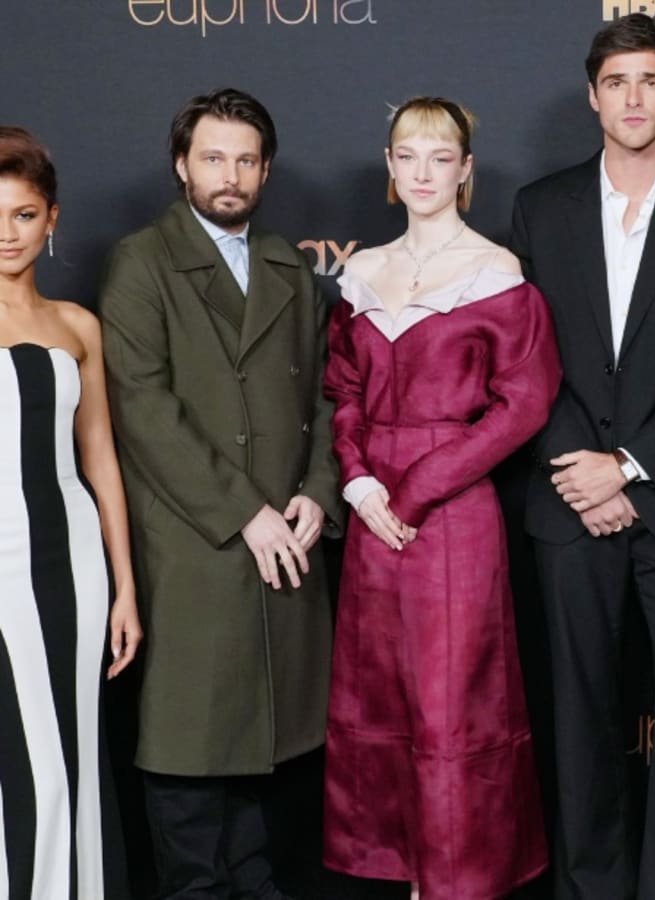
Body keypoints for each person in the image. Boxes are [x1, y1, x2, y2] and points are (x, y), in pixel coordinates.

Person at [511, 13, 655, 899]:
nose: (634, 98)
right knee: (579, 717)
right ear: (592, 96)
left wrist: (633, 465)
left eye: (651, 81)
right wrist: (585, 466)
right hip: (567, 499)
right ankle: (593, 887)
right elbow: (526, 357)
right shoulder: (541, 205)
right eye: (618, 83)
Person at [98, 88, 341, 899]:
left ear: (266, 169)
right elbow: (142, 407)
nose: (228, 175)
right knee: (191, 771)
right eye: (212, 158)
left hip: (287, 560)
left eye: (245, 159)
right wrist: (244, 512)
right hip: (195, 554)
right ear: (181, 165)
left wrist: (316, 493)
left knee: (268, 786)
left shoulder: (290, 267)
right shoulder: (142, 261)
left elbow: (324, 404)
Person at [322, 96, 559, 900]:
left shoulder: (497, 271)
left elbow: (523, 404)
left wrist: (416, 490)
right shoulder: (360, 272)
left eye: (440, 156)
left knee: (451, 703)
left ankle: (456, 880)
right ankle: (398, 868)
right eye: (407, 155)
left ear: (466, 169)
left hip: (453, 516)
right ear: (389, 168)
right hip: (368, 517)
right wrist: (356, 479)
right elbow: (343, 389)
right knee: (378, 693)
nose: (423, 172)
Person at [0, 125, 141, 898]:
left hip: (72, 568)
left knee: (69, 752)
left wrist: (124, 587)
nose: (5, 233)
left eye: (23, 214)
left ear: (52, 220)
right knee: (18, 761)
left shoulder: (79, 326)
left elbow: (102, 465)